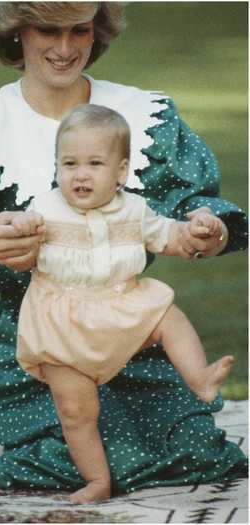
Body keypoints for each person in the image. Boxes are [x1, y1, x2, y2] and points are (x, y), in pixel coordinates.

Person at [0, 2, 248, 498]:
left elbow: (196, 205)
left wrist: (209, 230)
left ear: (97, 31)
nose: (64, 48)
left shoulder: (144, 116)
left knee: (203, 455)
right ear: (17, 31)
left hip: (130, 337)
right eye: (47, 30)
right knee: (80, 464)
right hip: (37, 344)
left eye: (79, 30)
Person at [12, 103, 234, 503]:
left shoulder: (133, 208)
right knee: (76, 410)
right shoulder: (43, 210)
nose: (80, 174)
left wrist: (196, 229)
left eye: (95, 163)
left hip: (121, 305)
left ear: (121, 172)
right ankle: (97, 480)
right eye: (69, 163)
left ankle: (199, 379)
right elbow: (23, 256)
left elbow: (169, 236)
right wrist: (21, 236)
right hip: (63, 322)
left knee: (168, 313)